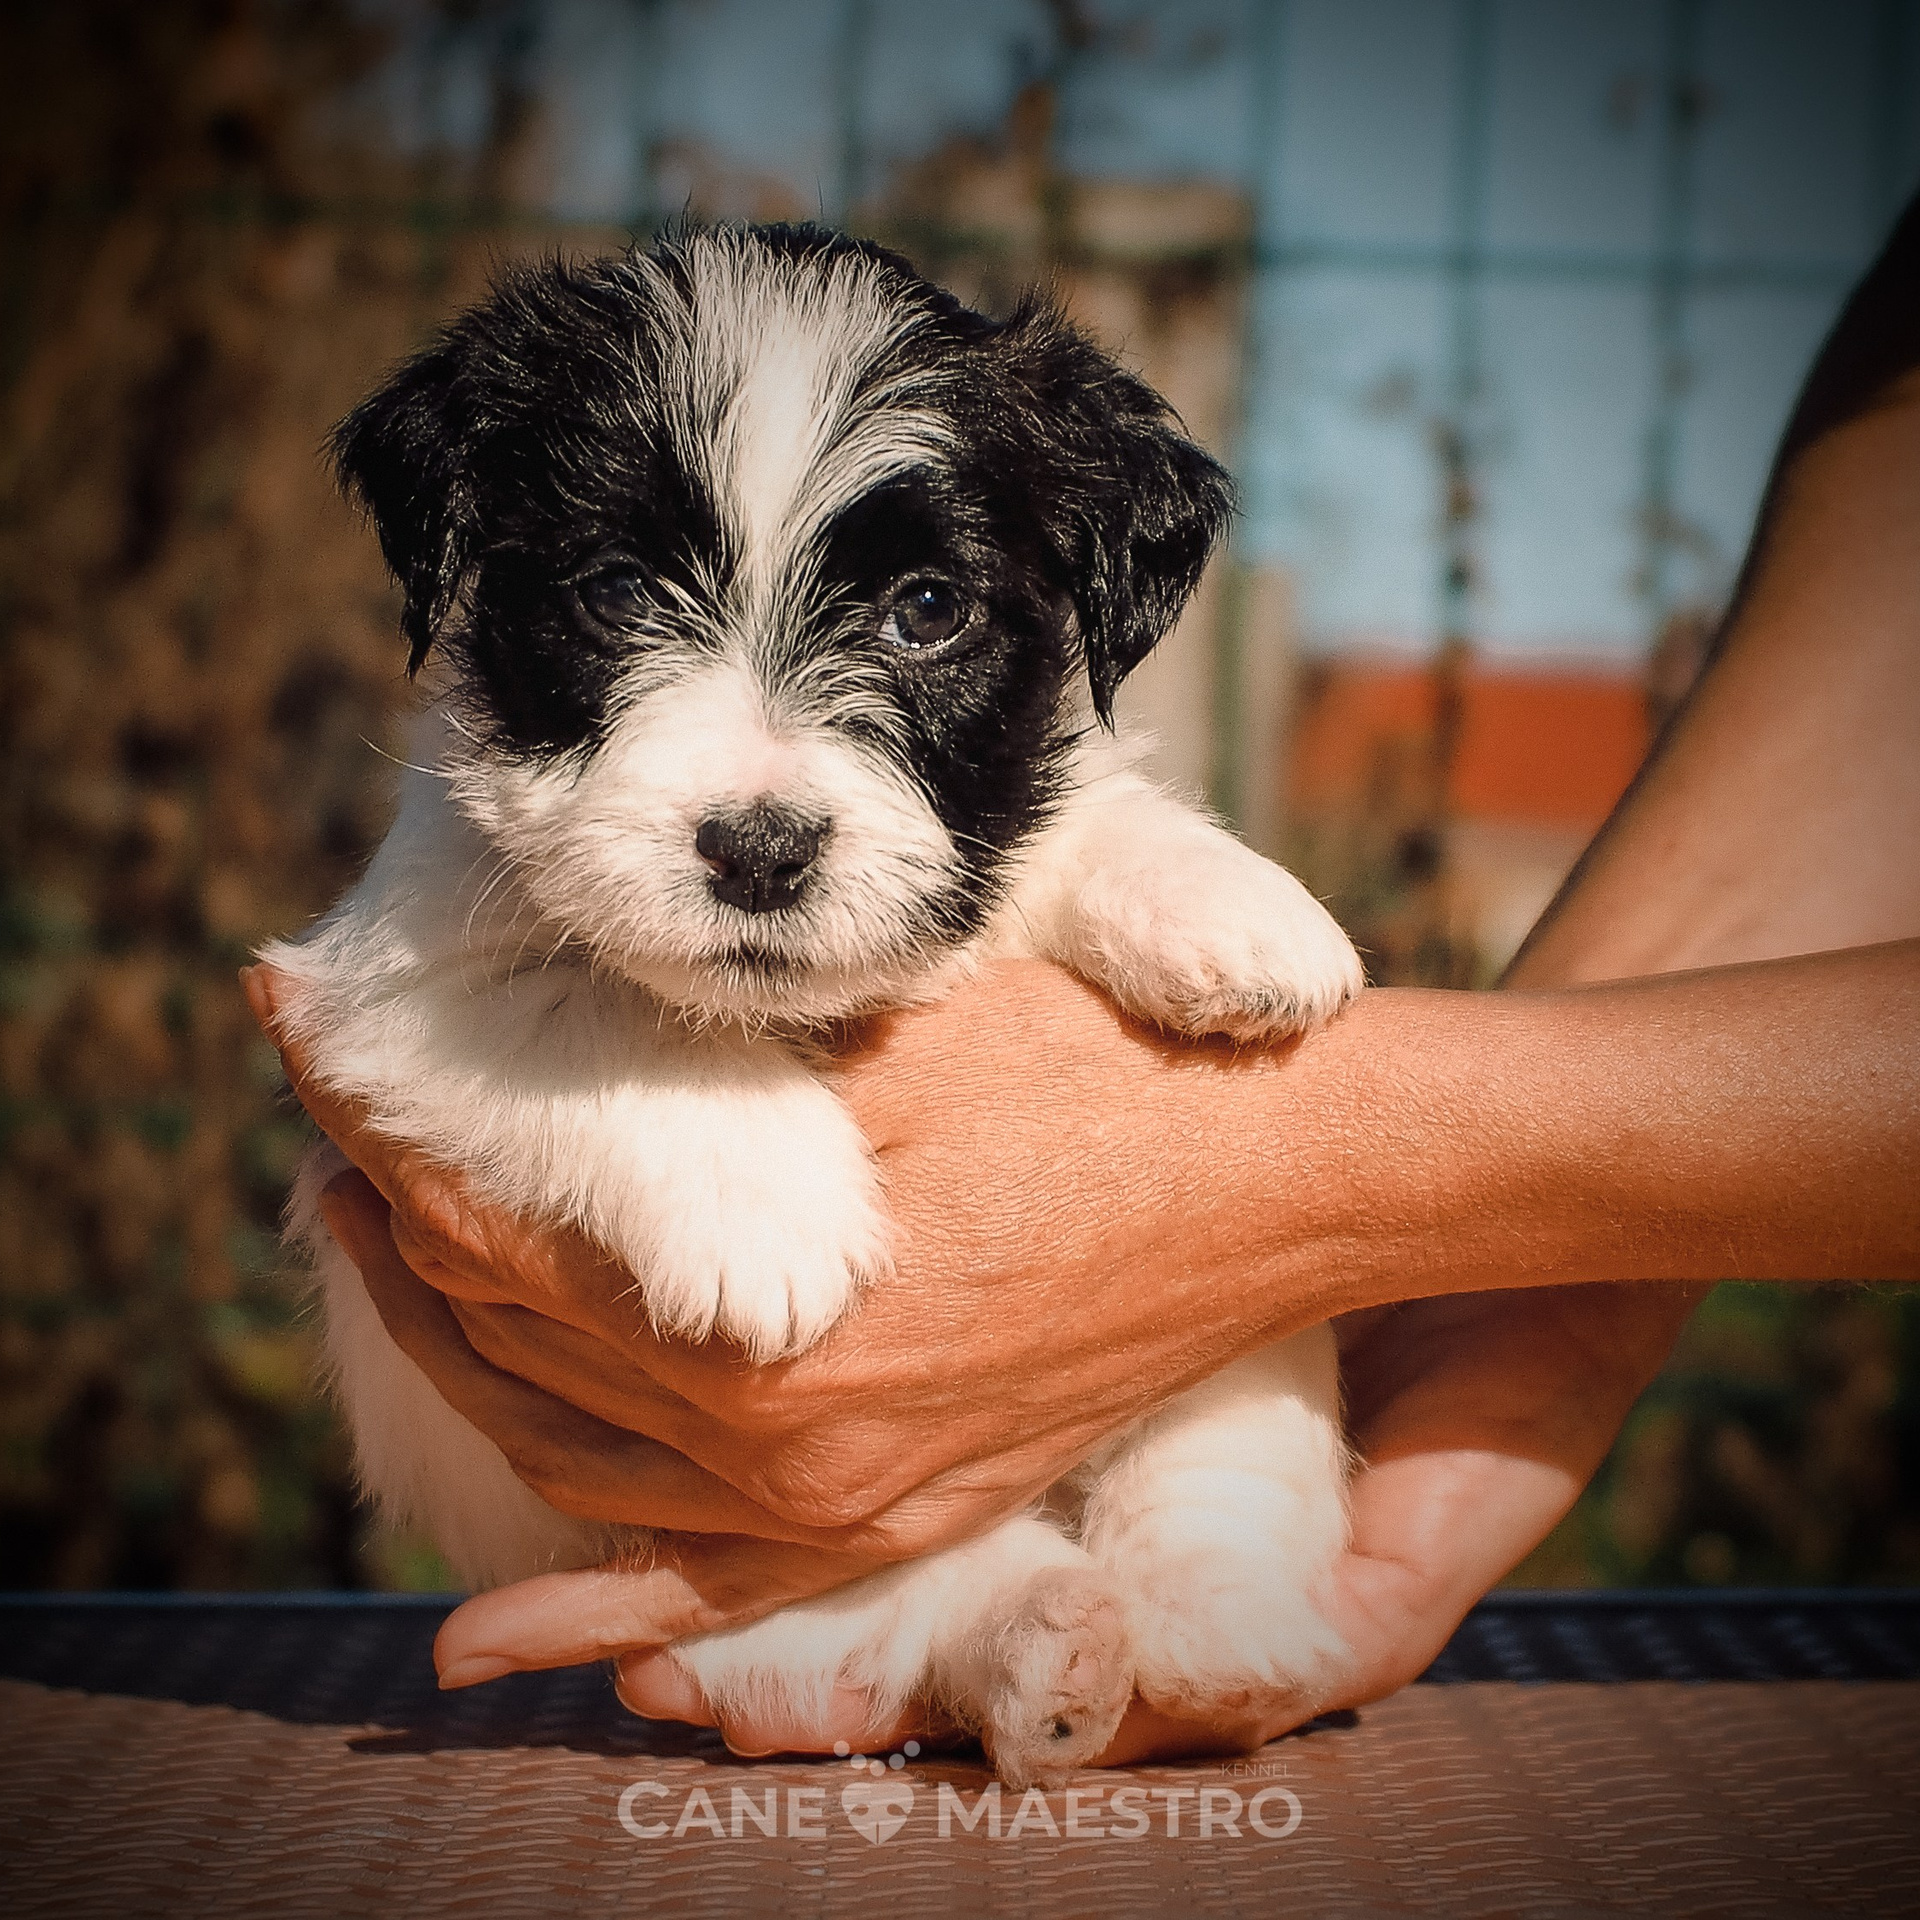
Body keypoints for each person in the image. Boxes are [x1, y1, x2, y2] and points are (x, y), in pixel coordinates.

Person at [246, 198, 1920, 1764]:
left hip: (1083, 1404)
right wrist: (678, 1117)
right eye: (619, 591)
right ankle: (968, 1629)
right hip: (632, 1485)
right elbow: (381, 1016)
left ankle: (1209, 1557)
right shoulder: (478, 867)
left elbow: (1089, 848)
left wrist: (1140, 873)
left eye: (920, 610)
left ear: (1073, 617)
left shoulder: (1047, 797)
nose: (758, 796)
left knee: (1228, 1219)